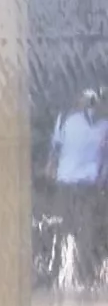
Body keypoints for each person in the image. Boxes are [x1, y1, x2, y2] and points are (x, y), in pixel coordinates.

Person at [47, 89, 108, 280]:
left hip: (79, 184)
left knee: (75, 230)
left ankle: (72, 274)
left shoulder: (101, 124)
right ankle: (71, 273)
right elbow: (55, 149)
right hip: (75, 184)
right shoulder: (66, 119)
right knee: (73, 230)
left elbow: (54, 149)